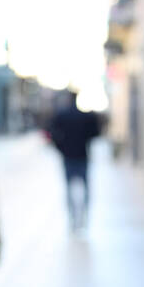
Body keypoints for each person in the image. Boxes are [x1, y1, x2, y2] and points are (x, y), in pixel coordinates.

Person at [47, 88, 101, 232]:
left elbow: (51, 133)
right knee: (85, 187)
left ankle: (72, 216)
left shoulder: (62, 115)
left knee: (69, 187)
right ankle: (83, 216)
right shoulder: (85, 116)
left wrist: (61, 148)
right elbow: (96, 132)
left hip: (69, 156)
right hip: (82, 155)